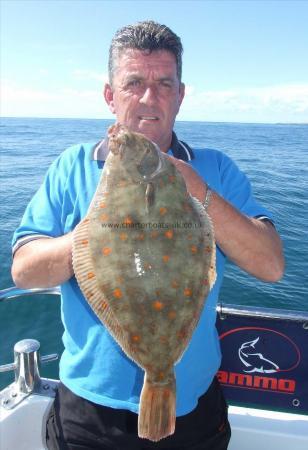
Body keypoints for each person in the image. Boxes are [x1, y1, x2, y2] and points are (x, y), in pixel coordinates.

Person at [11, 21, 284, 450]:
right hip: (88, 415)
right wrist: (94, 237)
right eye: (134, 82)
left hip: (193, 413)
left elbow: (270, 265)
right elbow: (24, 272)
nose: (148, 97)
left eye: (163, 83)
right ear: (110, 95)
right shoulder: (71, 166)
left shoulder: (215, 169)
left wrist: (198, 191)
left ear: (180, 94)